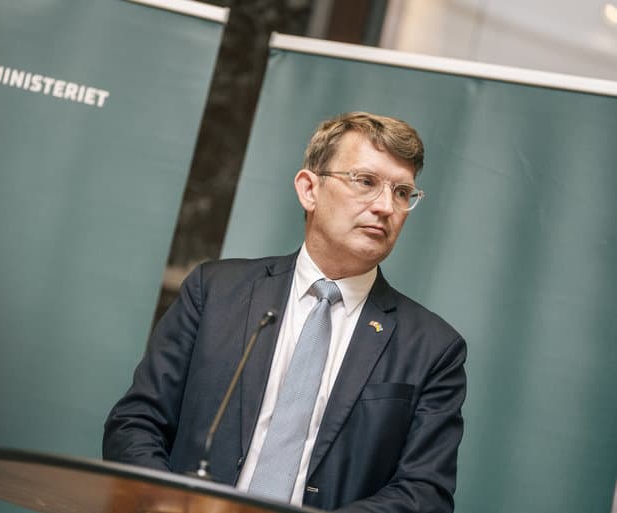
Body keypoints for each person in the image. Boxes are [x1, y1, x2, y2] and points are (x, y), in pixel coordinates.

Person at [103, 112, 467, 513]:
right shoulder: (216, 291)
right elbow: (137, 422)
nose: (385, 206)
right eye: (365, 182)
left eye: (401, 192)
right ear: (309, 189)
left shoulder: (433, 349)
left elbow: (425, 493)